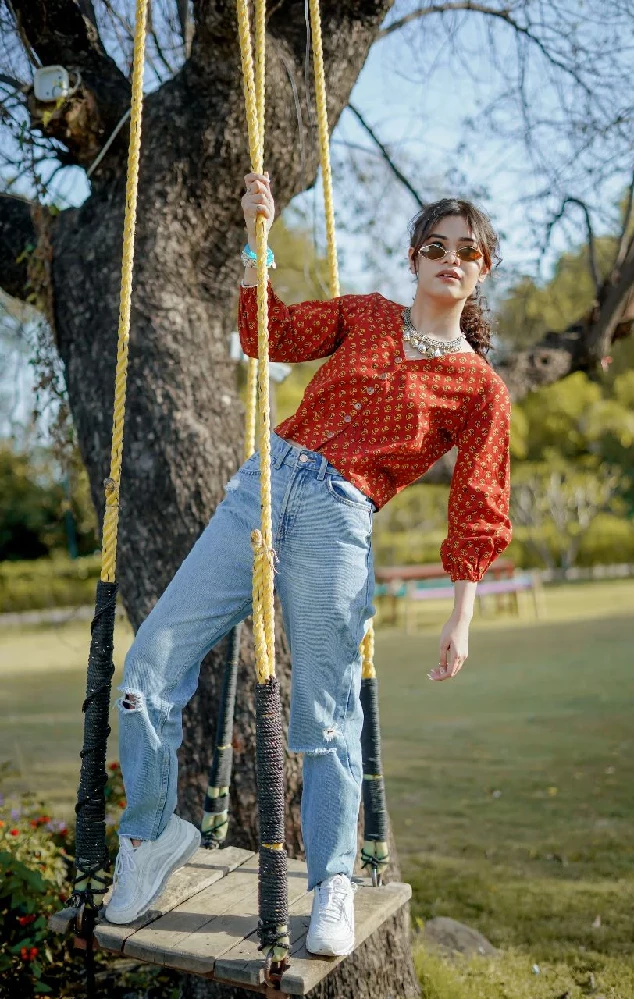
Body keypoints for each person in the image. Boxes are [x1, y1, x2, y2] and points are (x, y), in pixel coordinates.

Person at [103, 173, 512, 959]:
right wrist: (258, 237)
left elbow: (478, 506)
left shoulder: (479, 389)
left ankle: (331, 882)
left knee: (325, 714)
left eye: (467, 251)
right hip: (262, 488)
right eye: (436, 247)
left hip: (339, 519)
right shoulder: (364, 314)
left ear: (483, 267)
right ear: (414, 257)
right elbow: (268, 334)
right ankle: (151, 835)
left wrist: (461, 617)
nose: (449, 260)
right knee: (146, 668)